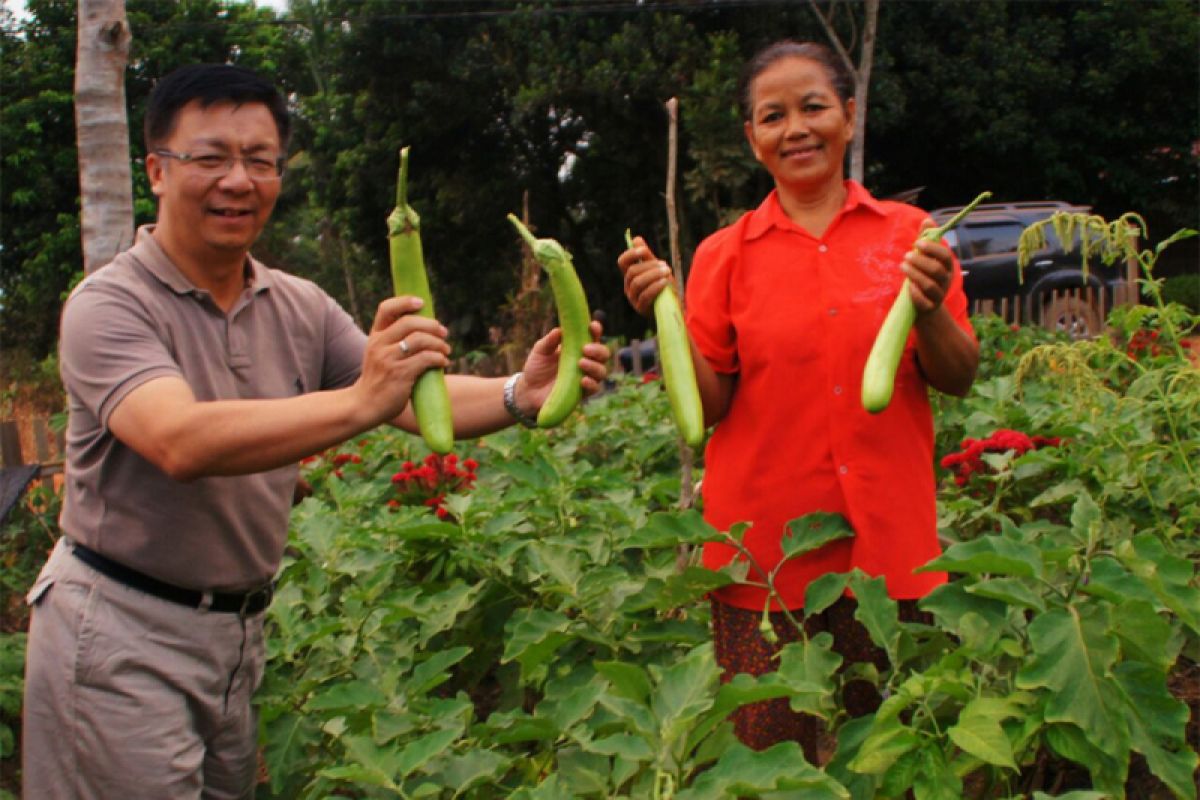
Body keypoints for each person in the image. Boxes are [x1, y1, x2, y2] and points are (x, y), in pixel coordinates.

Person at [23, 63, 609, 799]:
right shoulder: (108, 306)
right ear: (157, 171)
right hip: (120, 630)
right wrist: (362, 400)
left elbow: (408, 400)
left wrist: (520, 392)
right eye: (210, 157)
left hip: (235, 634)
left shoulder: (295, 303)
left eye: (260, 161)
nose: (238, 180)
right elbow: (180, 440)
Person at [616, 40, 979, 760]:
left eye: (813, 107)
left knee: (891, 756)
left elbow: (959, 373)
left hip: (889, 549)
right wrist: (664, 312)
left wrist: (931, 306)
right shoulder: (725, 253)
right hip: (765, 559)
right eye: (772, 116)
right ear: (753, 140)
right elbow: (709, 405)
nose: (796, 128)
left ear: (848, 114)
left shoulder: (912, 238)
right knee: (768, 758)